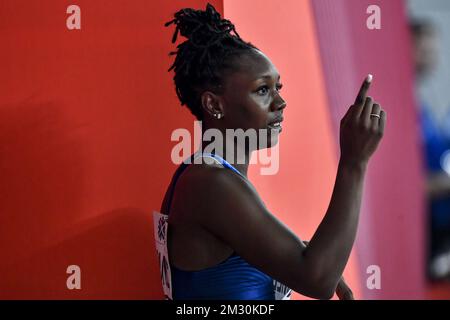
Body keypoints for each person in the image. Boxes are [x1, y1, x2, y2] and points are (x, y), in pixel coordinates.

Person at [159, 3, 386, 300]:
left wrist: (295, 255)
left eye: (278, 87)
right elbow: (316, 280)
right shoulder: (210, 184)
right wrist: (354, 162)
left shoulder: (210, 178)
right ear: (215, 105)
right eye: (262, 90)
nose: (281, 103)